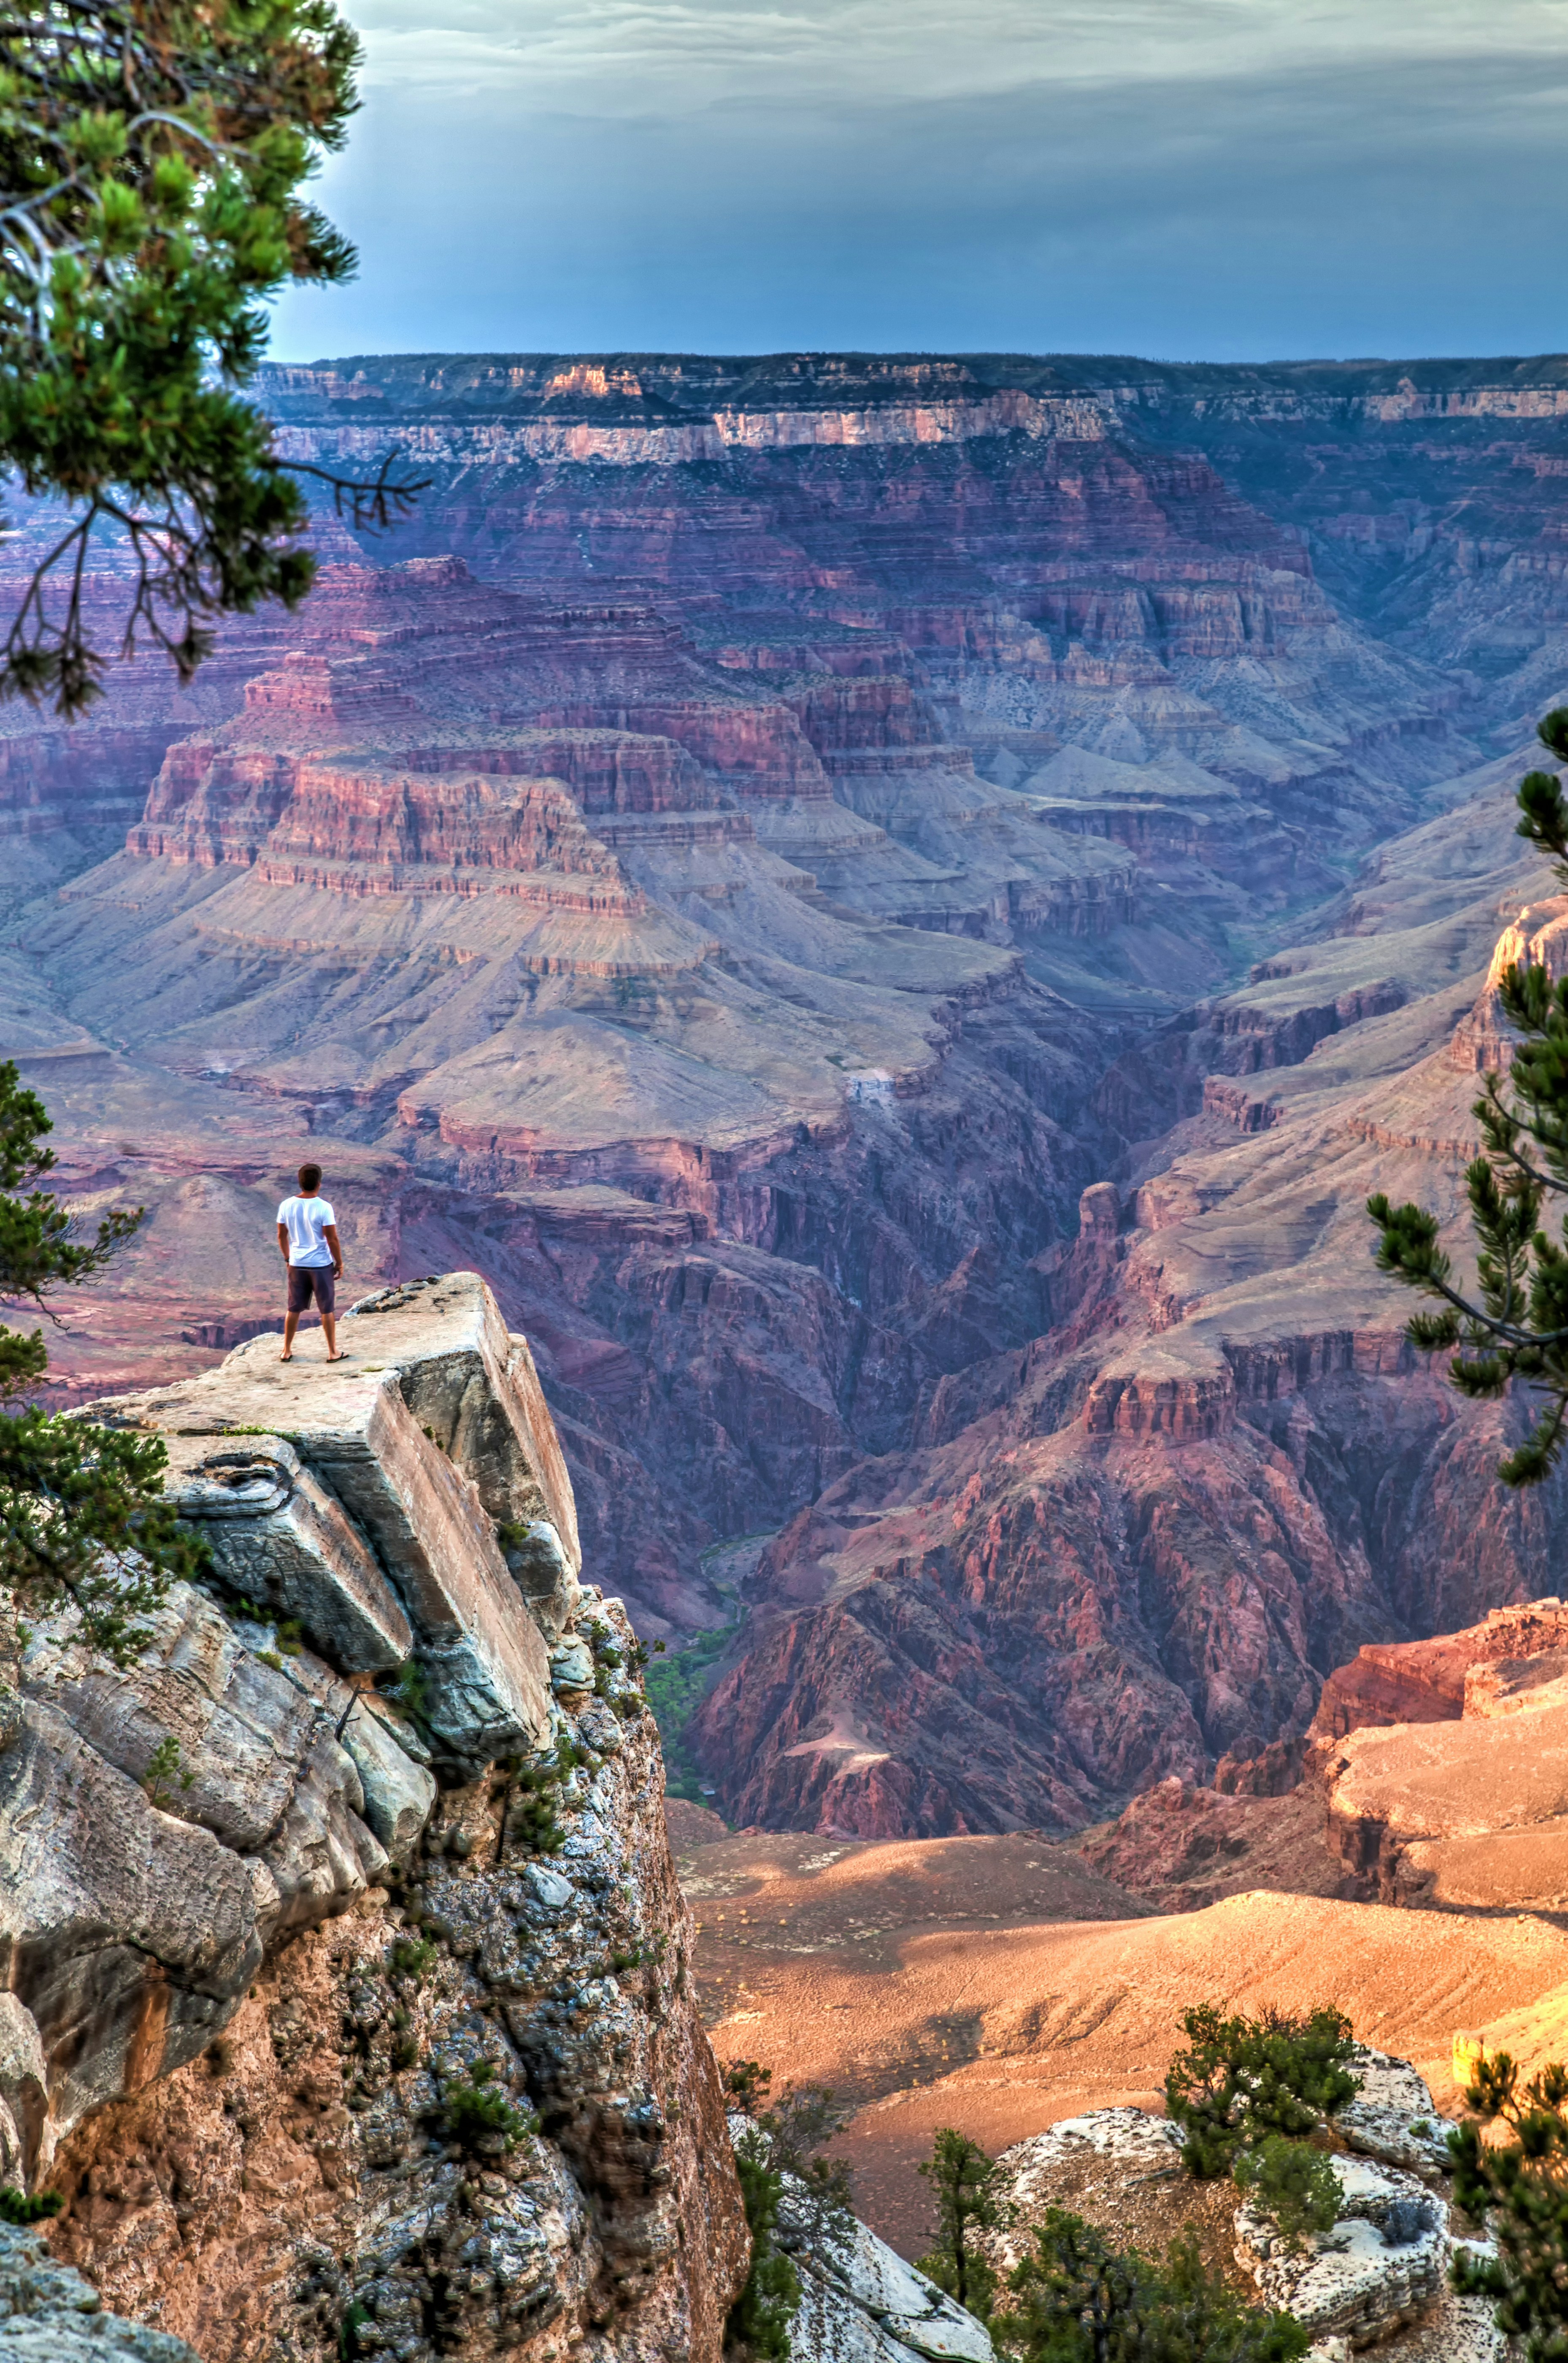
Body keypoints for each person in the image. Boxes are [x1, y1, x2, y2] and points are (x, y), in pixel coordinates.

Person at [276, 1162, 345, 1363]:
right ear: (319, 1184)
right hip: (321, 1265)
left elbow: (281, 1235)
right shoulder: (324, 1207)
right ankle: (333, 1352)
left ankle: (286, 1351)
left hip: (297, 1263)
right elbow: (332, 1239)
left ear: (300, 1182)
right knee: (327, 1309)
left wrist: (288, 1258)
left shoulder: (286, 1205)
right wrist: (339, 1263)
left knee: (293, 1308)